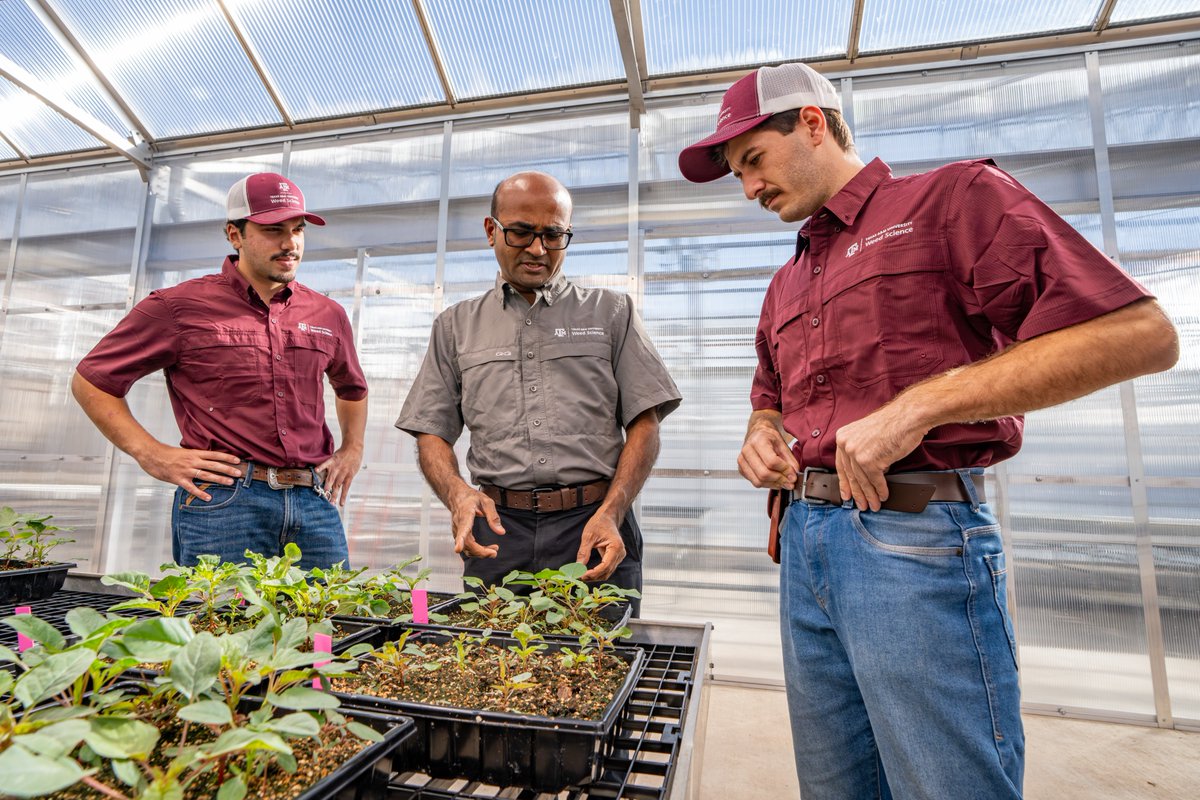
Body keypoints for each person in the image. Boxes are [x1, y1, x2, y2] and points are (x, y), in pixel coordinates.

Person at [678, 62, 1178, 799]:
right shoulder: (786, 282)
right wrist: (761, 433)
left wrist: (917, 407)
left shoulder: (953, 200)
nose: (749, 188)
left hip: (912, 536)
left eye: (753, 160)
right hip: (805, 546)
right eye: (736, 174)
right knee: (835, 784)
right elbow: (770, 398)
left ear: (812, 124)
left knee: (944, 782)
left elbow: (1139, 334)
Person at [396, 171, 680, 613]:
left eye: (553, 235)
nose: (537, 249)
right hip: (497, 531)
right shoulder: (455, 327)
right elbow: (431, 430)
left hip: (593, 524)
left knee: (601, 650)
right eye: (521, 232)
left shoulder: (611, 313)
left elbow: (645, 422)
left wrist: (613, 511)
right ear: (491, 230)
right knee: (494, 651)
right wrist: (457, 494)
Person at [72, 173, 367, 570]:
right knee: (224, 611)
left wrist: (352, 449)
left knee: (329, 611)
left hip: (313, 501)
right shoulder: (177, 307)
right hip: (225, 501)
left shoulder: (327, 313)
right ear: (234, 234)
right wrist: (151, 454)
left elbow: (351, 388)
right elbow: (92, 381)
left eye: (297, 230)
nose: (290, 243)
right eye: (273, 230)